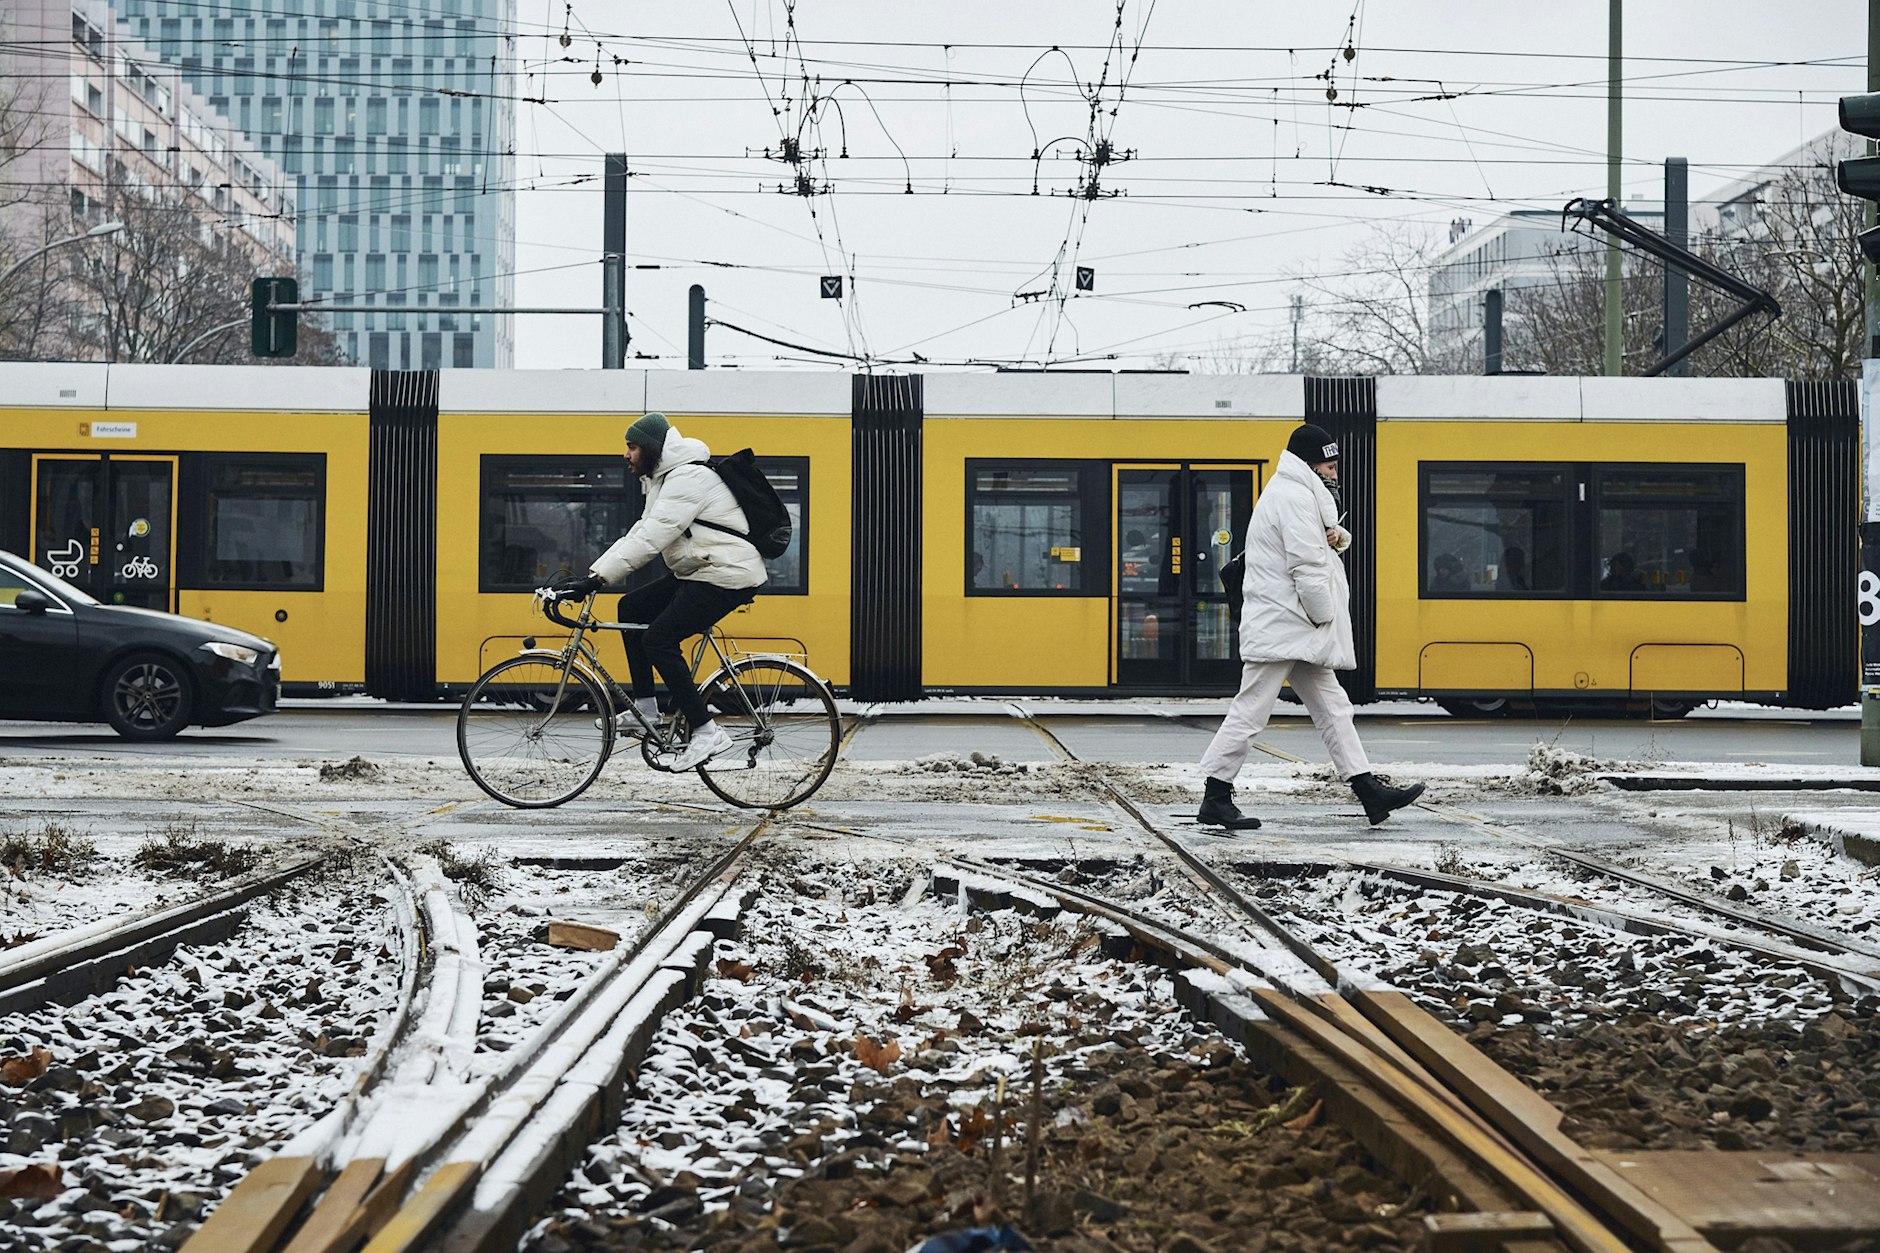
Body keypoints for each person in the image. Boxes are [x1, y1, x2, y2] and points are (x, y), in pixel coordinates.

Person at [1196, 424, 1425, 831]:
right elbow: (1307, 565)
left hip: (1292, 627)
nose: (1335, 473)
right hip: (1286, 627)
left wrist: (1338, 537)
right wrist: (1324, 616)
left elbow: (1317, 543)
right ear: (1311, 464)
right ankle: (1215, 795)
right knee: (1250, 712)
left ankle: (1369, 791)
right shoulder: (1294, 498)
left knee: (1334, 708)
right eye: (1330, 465)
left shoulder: (1296, 495)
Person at [551, 413, 768, 771]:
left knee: (658, 640)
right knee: (632, 606)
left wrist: (597, 581)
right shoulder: (663, 480)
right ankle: (645, 708)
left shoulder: (688, 478)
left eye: (631, 447)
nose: (626, 455)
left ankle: (706, 731)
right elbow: (640, 532)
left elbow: (654, 539)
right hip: (702, 569)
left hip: (726, 573)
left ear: (652, 449)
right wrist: (593, 575)